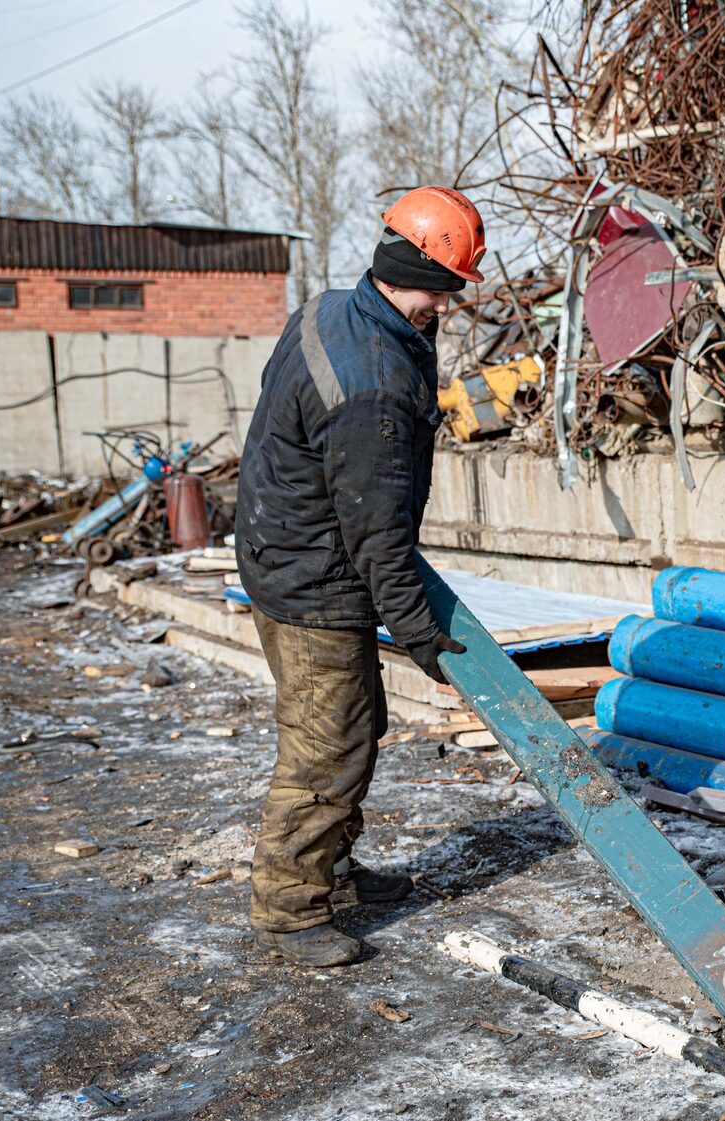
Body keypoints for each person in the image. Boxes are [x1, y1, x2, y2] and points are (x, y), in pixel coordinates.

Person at [234, 186, 485, 967]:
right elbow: (377, 539)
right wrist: (424, 641)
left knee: (355, 723)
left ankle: (334, 871)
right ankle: (289, 907)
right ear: (410, 269)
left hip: (283, 548)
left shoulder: (331, 310)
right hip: (315, 578)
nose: (446, 307)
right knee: (324, 746)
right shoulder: (371, 381)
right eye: (442, 291)